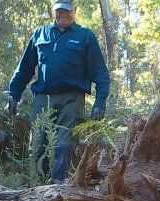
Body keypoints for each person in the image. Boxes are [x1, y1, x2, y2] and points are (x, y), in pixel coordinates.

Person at [8, 0, 110, 182]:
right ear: (54, 11)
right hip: (43, 97)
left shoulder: (85, 36)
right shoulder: (41, 33)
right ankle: (39, 187)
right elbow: (24, 68)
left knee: (64, 143)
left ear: (74, 11)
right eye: (59, 11)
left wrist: (100, 102)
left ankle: (57, 188)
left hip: (72, 98)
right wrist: (14, 94)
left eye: (67, 11)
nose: (63, 14)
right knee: (38, 145)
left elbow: (100, 72)